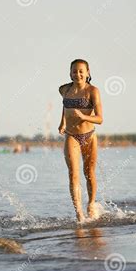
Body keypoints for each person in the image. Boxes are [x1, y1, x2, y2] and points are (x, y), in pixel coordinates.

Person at [58, 59, 103, 223]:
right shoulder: (64, 90)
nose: (78, 74)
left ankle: (91, 203)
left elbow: (100, 118)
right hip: (71, 136)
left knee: (89, 173)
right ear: (70, 73)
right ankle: (79, 214)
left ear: (88, 72)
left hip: (89, 136)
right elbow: (64, 106)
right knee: (73, 175)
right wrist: (62, 121)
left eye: (81, 71)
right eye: (74, 71)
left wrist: (84, 116)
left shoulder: (93, 91)